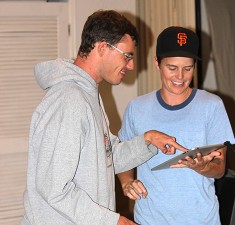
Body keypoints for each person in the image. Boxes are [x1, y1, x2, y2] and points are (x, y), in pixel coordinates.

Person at [21, 11, 187, 225]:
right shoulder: (69, 100)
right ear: (102, 48)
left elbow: (106, 158)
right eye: (126, 56)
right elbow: (53, 189)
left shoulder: (88, 95)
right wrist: (113, 221)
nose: (131, 66)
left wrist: (148, 140)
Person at [117, 26, 235, 225]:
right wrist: (126, 181)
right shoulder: (137, 108)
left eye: (187, 68)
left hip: (201, 219)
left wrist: (203, 166)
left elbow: (220, 168)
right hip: (149, 219)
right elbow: (121, 156)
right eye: (172, 68)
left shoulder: (212, 106)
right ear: (157, 63)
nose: (180, 77)